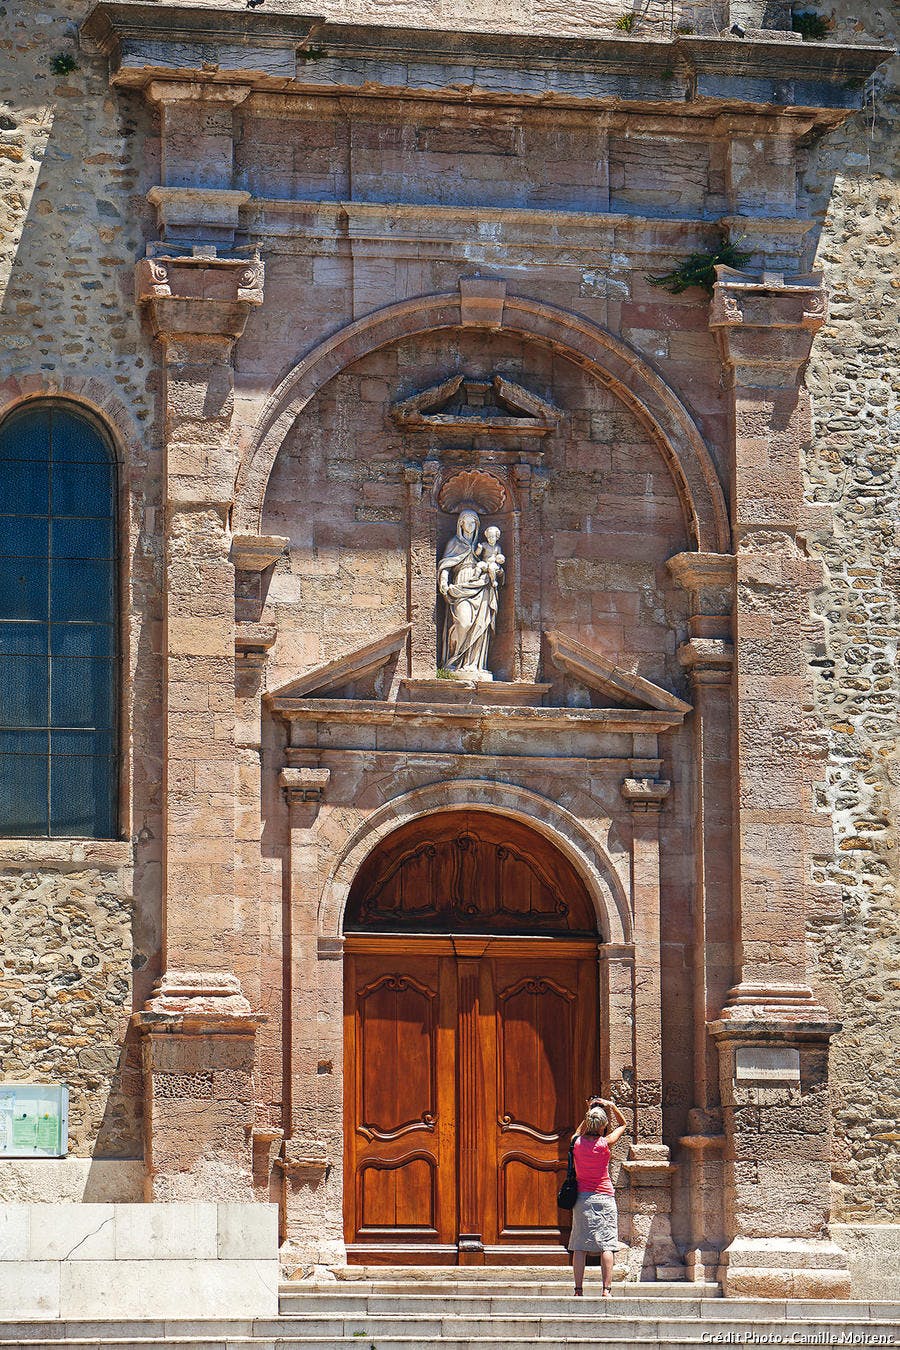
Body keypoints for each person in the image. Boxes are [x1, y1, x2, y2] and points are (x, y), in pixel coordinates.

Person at [568, 1094, 629, 1298]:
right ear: (603, 1126)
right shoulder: (605, 1143)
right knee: (607, 1245)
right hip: (604, 1197)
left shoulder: (576, 1143)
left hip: (582, 1198)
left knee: (579, 1245)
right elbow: (623, 1124)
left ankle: (578, 1290)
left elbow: (578, 1132)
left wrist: (588, 1112)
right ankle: (606, 1289)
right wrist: (611, 1105)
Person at [437, 509, 503, 676]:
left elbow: (495, 563)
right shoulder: (454, 543)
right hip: (461, 583)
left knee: (480, 625)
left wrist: (496, 570)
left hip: (482, 586)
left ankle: (473, 664)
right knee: (464, 623)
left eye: (474, 522)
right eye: (468, 521)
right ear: (461, 523)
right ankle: (453, 661)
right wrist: (444, 582)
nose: (471, 525)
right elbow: (446, 565)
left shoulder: (482, 546)